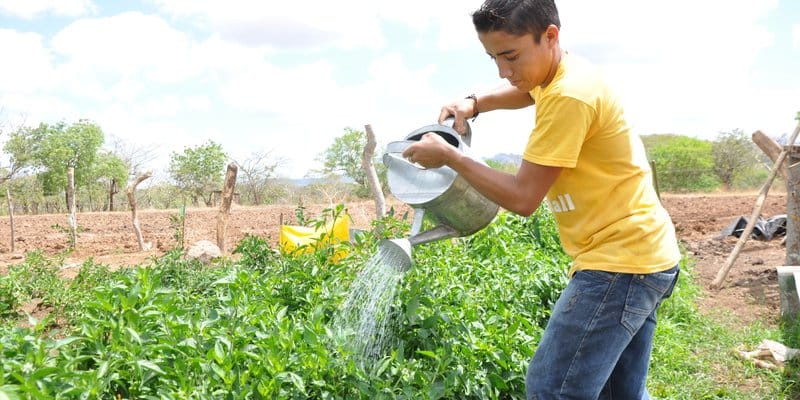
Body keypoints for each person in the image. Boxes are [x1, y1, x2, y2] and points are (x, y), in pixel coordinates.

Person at [401, 0, 682, 398]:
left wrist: (452, 157)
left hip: (619, 262)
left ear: (550, 36)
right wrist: (476, 103)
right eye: (494, 58)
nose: (503, 71)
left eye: (511, 56)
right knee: (619, 393)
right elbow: (527, 89)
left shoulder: (570, 97)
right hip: (646, 254)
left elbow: (523, 198)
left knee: (553, 387)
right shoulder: (562, 73)